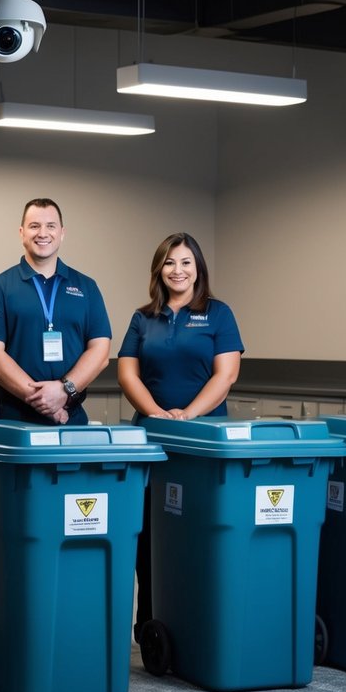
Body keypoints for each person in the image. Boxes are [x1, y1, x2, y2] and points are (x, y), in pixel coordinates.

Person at [118, 232, 244, 640]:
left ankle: (199, 619)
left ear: (198, 268)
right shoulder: (143, 318)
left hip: (204, 441)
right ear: (159, 269)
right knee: (151, 536)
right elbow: (127, 373)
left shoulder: (219, 314)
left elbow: (226, 375)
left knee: (199, 529)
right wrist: (157, 415)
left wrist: (188, 415)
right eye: (170, 262)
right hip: (151, 440)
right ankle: (151, 623)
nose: (178, 270)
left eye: (186, 262)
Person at [0, 198, 111, 425]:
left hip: (71, 418)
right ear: (21, 232)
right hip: (14, 417)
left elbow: (100, 351)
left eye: (50, 226)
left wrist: (64, 390)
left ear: (62, 233)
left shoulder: (87, 287)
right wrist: (44, 403)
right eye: (34, 226)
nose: (42, 233)